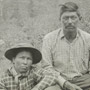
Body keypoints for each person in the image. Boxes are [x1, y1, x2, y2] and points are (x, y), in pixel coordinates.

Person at [41, 2, 90, 90]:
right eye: (65, 18)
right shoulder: (49, 39)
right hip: (58, 81)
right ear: (60, 19)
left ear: (80, 18)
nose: (70, 22)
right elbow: (46, 67)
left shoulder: (87, 39)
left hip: (84, 81)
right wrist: (65, 83)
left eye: (73, 17)